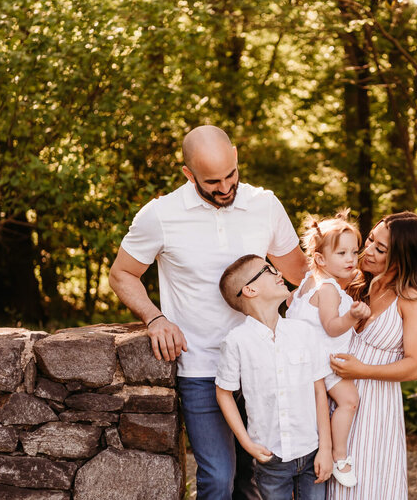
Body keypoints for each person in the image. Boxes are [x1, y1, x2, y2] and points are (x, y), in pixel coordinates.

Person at [108, 126, 307, 500]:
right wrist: (155, 318)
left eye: (231, 174)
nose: (225, 187)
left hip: (263, 363)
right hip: (201, 367)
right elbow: (122, 274)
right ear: (188, 174)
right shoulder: (161, 214)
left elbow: (300, 275)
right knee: (218, 478)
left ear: (235, 155)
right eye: (212, 181)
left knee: (262, 474)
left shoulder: (264, 204)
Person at [326, 211, 417, 500]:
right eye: (370, 239)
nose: (367, 251)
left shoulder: (413, 299)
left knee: (364, 486)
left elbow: (416, 367)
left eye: (380, 249)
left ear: (403, 257)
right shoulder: (358, 282)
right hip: (335, 397)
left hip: (374, 409)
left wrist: (361, 370)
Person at [216, 254, 333, 500]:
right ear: (250, 289)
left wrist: (326, 448)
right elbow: (224, 392)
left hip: (312, 453)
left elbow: (319, 391)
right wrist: (246, 443)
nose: (279, 273)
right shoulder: (236, 341)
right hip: (271, 460)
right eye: (269, 270)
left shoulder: (303, 332)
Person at [284, 211, 371, 487]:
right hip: (322, 360)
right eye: (342, 253)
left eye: (354, 252)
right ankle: (340, 455)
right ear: (320, 259)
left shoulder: (307, 283)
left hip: (300, 357)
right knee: (349, 400)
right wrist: (353, 317)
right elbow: (332, 326)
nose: (351, 259)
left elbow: (291, 307)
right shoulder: (330, 288)